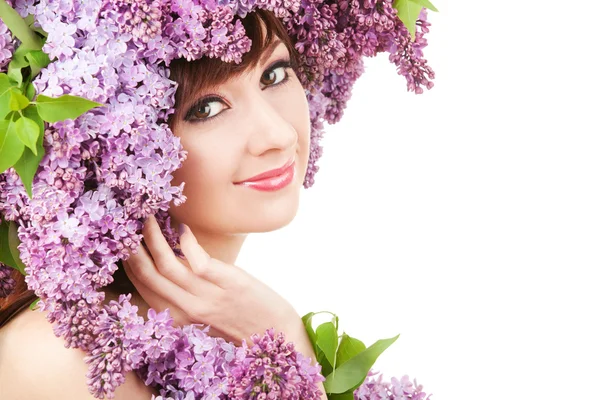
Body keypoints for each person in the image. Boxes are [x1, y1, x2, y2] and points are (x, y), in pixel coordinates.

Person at [0, 9, 325, 399]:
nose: (278, 133)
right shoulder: (63, 357)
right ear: (111, 153)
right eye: (205, 109)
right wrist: (283, 346)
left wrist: (279, 336)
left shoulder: (239, 322)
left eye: (273, 75)